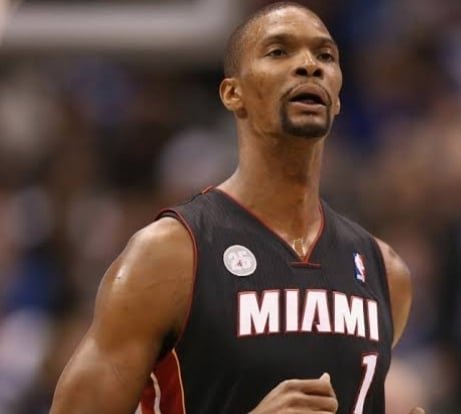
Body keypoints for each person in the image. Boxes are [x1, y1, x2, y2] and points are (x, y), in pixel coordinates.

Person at [49, 2, 427, 413]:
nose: (309, 66)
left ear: (337, 99)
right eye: (279, 51)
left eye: (325, 55)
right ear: (233, 93)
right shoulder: (170, 255)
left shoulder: (386, 272)